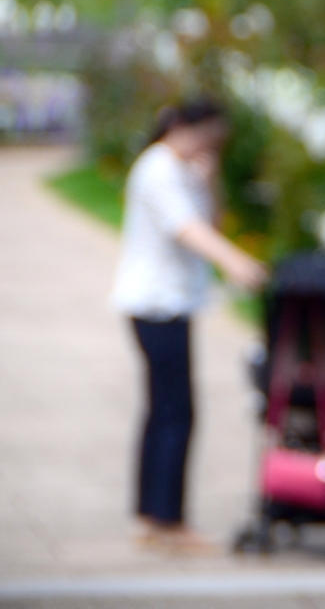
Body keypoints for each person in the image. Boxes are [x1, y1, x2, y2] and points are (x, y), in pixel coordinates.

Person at [111, 98, 268, 552]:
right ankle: (167, 521)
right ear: (181, 127)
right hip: (156, 304)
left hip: (169, 304)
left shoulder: (181, 169)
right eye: (207, 137)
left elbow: (210, 221)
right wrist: (236, 262)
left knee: (163, 409)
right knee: (176, 411)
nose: (209, 146)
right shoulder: (158, 168)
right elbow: (188, 230)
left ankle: (150, 516)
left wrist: (211, 179)